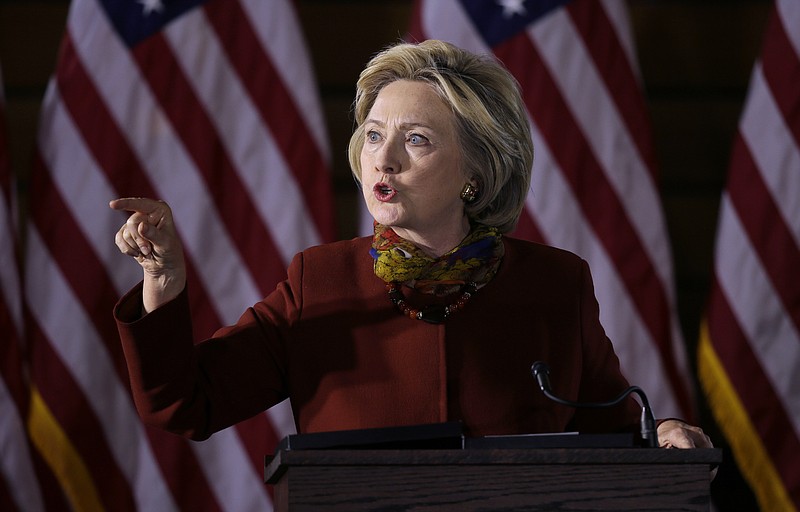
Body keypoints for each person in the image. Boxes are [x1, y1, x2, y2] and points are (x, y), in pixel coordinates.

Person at [111, 39, 711, 450]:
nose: (384, 159)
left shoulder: (555, 286)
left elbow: (619, 427)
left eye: (417, 139)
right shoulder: (318, 282)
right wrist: (163, 282)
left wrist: (661, 433)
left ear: (475, 171)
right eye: (374, 135)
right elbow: (186, 404)